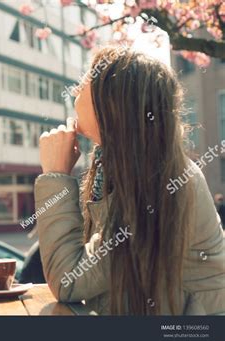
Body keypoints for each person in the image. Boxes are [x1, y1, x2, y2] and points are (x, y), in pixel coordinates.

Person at [36, 46, 225, 315]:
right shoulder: (123, 168)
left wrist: (55, 176)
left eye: (85, 82)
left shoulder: (161, 184)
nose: (76, 92)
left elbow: (70, 280)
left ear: (115, 104)